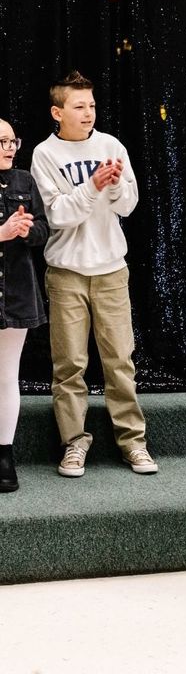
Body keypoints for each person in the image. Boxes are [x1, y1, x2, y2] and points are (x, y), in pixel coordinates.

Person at [30, 71, 157, 478]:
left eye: (92, 105)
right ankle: (74, 443)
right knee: (69, 365)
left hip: (111, 271)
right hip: (66, 273)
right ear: (57, 112)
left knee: (120, 360)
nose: (89, 113)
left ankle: (133, 442)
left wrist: (116, 186)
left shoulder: (111, 145)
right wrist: (92, 185)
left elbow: (129, 205)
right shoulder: (43, 154)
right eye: (79, 106)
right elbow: (57, 215)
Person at [0, 120, 48, 492]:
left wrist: (27, 230)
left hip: (16, 291)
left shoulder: (24, 180)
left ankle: (4, 455)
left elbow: (43, 231)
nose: (10, 147)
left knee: (6, 376)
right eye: (1, 141)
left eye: (12, 140)